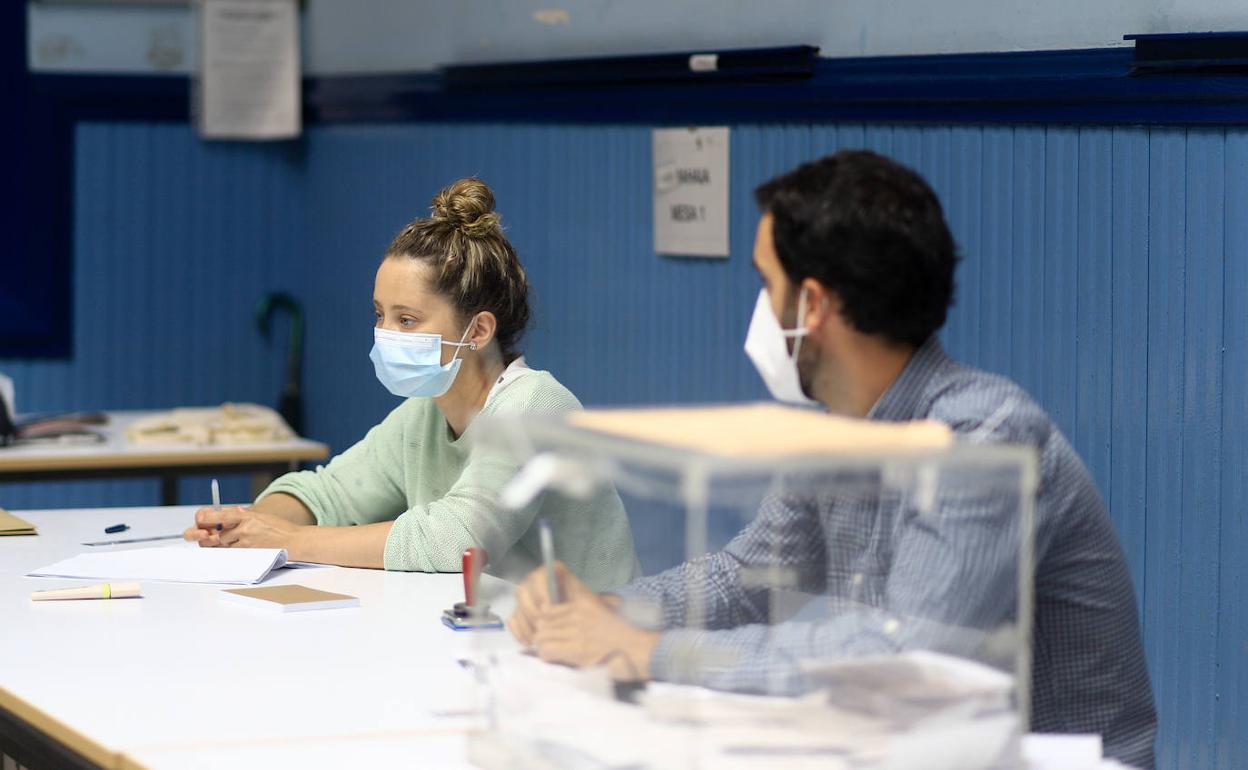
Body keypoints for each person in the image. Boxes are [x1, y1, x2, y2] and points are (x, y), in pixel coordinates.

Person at [506, 152, 1157, 767]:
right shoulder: (842, 431)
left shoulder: (984, 436)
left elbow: (899, 657)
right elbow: (744, 579)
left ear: (813, 305)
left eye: (767, 284)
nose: (761, 308)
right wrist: (606, 610)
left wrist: (650, 650)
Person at [184, 178, 639, 590]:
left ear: (479, 331)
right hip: (497, 627)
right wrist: (247, 524)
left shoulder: (536, 405)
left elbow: (458, 540)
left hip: (595, 638)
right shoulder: (427, 408)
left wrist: (290, 540)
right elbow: (332, 492)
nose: (385, 333)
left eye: (407, 319)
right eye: (379, 314)